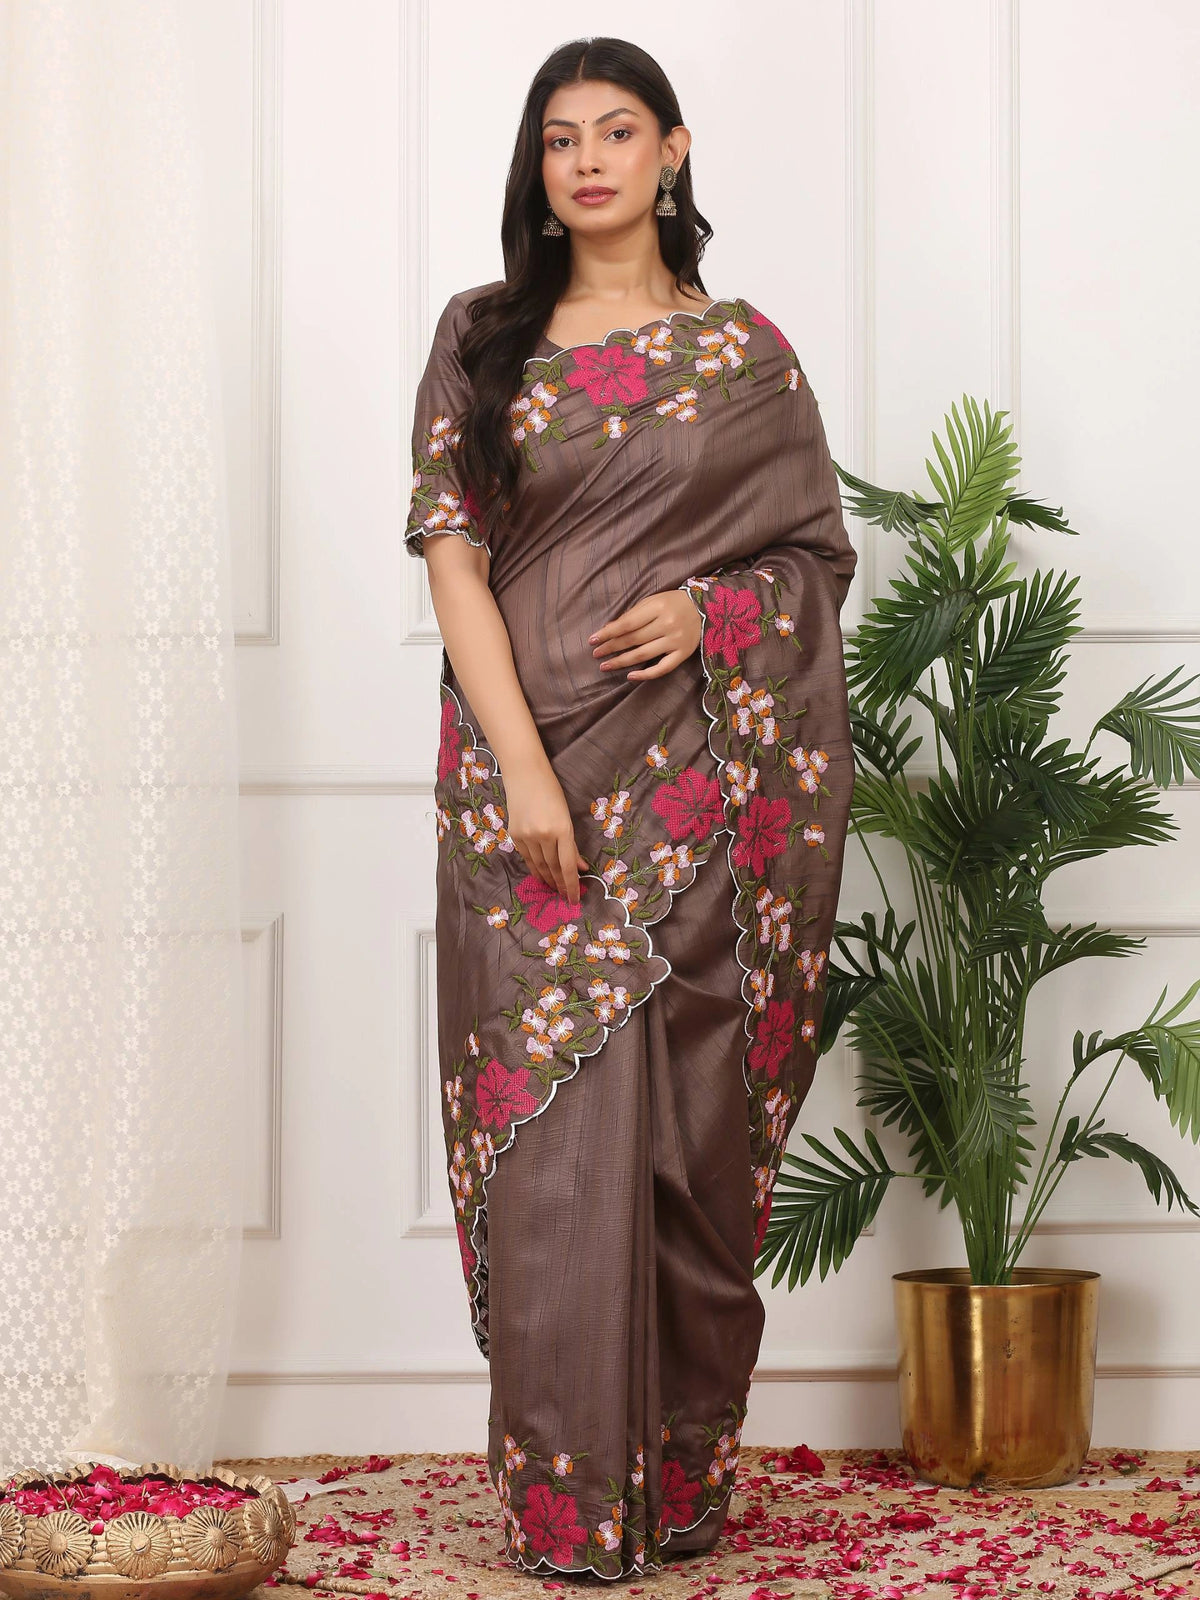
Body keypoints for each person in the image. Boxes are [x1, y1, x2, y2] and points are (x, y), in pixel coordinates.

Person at [403, 35, 858, 1584]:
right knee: (554, 1151)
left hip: (694, 794)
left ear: (673, 150)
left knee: (684, 1129)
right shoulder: (482, 336)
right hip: (521, 796)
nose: (584, 161)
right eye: (556, 140)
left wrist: (714, 610)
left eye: (615, 133)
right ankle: (565, 1503)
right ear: (537, 169)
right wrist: (523, 762)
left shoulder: (746, 357)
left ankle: (674, 1483)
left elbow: (811, 567)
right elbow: (456, 555)